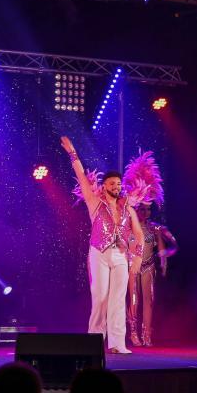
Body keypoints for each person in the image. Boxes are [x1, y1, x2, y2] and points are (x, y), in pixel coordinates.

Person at [61, 135, 144, 354]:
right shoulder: (95, 203)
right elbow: (81, 177)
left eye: (118, 183)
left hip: (121, 255)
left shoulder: (128, 208)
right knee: (100, 297)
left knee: (118, 299)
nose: (116, 186)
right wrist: (72, 153)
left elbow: (138, 233)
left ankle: (117, 344)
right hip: (98, 253)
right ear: (104, 186)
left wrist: (137, 256)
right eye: (112, 183)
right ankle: (95, 342)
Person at [123, 150, 176, 347]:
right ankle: (133, 333)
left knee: (149, 300)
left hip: (148, 266)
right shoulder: (128, 225)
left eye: (148, 209)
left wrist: (164, 259)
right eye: (142, 209)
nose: (145, 212)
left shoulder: (154, 228)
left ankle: (147, 334)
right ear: (136, 209)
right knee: (133, 299)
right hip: (132, 265)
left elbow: (168, 244)